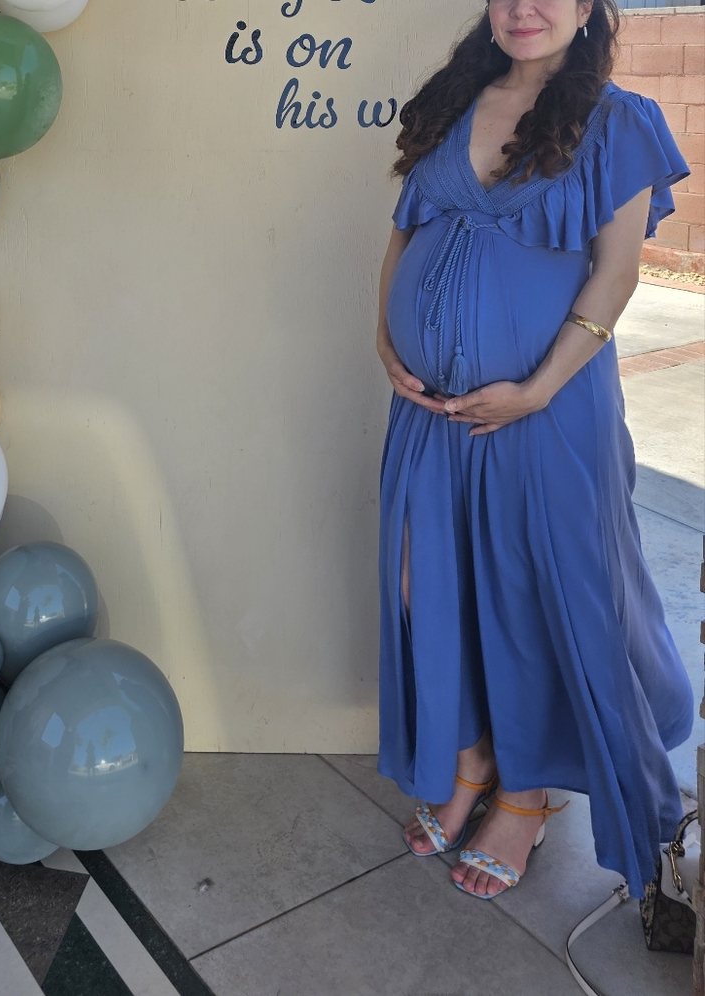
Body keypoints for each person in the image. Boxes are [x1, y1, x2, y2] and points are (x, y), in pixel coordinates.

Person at [375, 0, 694, 900]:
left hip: (548, 413)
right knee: (422, 583)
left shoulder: (617, 118)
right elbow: (404, 232)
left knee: (527, 598)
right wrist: (385, 338)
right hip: (429, 415)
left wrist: (540, 387)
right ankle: (470, 760)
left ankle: (525, 794)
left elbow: (618, 269)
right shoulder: (454, 99)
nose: (524, 6)